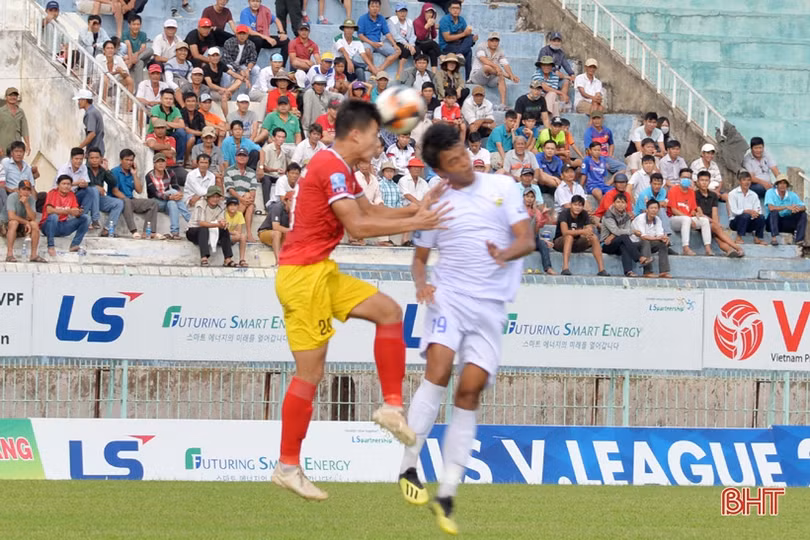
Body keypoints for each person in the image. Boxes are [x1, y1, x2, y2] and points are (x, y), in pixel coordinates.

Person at [270, 100, 449, 500]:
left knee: (389, 312)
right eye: (374, 135)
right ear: (356, 134)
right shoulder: (331, 167)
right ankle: (286, 466)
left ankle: (391, 405)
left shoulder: (341, 168)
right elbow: (359, 227)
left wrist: (413, 211)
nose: (379, 143)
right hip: (303, 279)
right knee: (310, 375)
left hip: (319, 272)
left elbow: (371, 209)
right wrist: (417, 221)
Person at [395, 122, 532, 536]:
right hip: (449, 297)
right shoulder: (436, 204)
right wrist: (422, 285)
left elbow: (526, 240)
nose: (463, 161)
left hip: (489, 307)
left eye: (462, 151)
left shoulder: (504, 187)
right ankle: (408, 467)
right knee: (437, 369)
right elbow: (419, 260)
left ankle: (448, 491)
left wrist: (504, 252)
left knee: (469, 391)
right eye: (453, 160)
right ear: (441, 170)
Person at [111, 149, 161, 239]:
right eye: (127, 160)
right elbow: (115, 191)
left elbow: (139, 190)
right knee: (127, 201)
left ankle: (148, 232)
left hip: (130, 199)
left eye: (131, 160)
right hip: (118, 200)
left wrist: (134, 174)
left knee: (153, 203)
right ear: (121, 160)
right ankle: (133, 231)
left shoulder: (131, 172)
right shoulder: (115, 171)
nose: (129, 162)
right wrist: (128, 200)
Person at [553, 194, 607, 276]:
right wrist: (582, 232)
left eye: (580, 205)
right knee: (569, 237)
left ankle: (601, 269)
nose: (578, 207)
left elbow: (589, 229)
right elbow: (565, 232)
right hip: (560, 242)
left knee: (594, 237)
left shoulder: (584, 214)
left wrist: (588, 233)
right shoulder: (564, 213)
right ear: (571, 205)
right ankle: (565, 268)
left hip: (577, 241)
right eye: (575, 205)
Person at [695, 171, 744, 257]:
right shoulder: (695, 194)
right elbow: (700, 214)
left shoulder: (713, 195)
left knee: (718, 237)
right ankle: (737, 247)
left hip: (712, 224)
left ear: (709, 182)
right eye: (702, 180)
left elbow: (714, 212)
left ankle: (729, 250)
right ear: (698, 182)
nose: (704, 182)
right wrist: (715, 224)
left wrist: (715, 223)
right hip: (701, 222)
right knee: (716, 229)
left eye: (706, 180)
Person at [40, 175, 91, 257]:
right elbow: (49, 210)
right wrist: (68, 211)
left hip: (63, 225)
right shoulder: (52, 193)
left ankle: (74, 244)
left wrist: (78, 212)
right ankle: (51, 246)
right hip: (48, 226)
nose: (66, 186)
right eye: (63, 184)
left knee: (86, 218)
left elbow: (74, 210)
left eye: (68, 184)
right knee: (54, 216)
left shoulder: (71, 195)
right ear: (58, 185)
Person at [187, 185, 236, 266]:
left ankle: (227, 259)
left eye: (217, 197)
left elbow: (221, 220)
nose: (215, 199)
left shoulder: (221, 205)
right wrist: (217, 225)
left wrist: (224, 223)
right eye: (213, 196)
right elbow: (201, 223)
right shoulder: (201, 204)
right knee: (204, 228)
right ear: (208, 197)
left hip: (211, 230)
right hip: (194, 231)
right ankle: (204, 258)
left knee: (224, 230)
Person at [469, 32, 518, 110]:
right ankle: (504, 75)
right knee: (486, 67)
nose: (494, 43)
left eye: (496, 41)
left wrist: (511, 75)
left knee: (500, 77)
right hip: (478, 76)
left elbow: (505, 64)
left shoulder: (500, 51)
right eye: (492, 40)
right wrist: (497, 67)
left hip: (490, 78)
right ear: (488, 41)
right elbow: (483, 59)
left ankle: (503, 104)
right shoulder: (481, 46)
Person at [146, 153, 190, 239]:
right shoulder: (149, 176)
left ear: (166, 163)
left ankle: (175, 232)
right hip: (155, 202)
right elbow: (155, 193)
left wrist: (178, 194)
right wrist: (170, 196)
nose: (161, 164)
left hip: (168, 200)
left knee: (172, 203)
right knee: (172, 193)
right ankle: (190, 219)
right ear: (154, 164)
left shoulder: (170, 172)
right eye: (158, 162)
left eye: (163, 162)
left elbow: (175, 186)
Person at [600, 193, 646, 276]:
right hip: (606, 244)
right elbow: (618, 231)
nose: (620, 205)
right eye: (618, 202)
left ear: (626, 204)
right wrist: (633, 231)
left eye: (623, 202)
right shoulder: (608, 215)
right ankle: (639, 257)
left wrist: (614, 235)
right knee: (624, 237)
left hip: (619, 242)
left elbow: (621, 231)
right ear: (613, 203)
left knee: (624, 245)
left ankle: (628, 271)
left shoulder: (626, 216)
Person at [667, 172, 711, 256]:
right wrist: (690, 218)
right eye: (684, 177)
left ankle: (708, 248)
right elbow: (674, 210)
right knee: (686, 219)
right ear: (679, 178)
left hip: (688, 219)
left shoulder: (691, 192)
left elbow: (692, 209)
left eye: (688, 177)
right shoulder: (673, 190)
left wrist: (696, 213)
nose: (686, 179)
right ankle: (685, 248)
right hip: (675, 219)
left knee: (704, 220)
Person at [85, 147, 125, 237]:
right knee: (94, 190)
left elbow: (113, 183)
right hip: (86, 200)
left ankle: (107, 230)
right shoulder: (84, 169)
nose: (94, 160)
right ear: (88, 158)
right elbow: (81, 186)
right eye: (92, 158)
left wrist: (107, 170)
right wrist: (95, 187)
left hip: (99, 199)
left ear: (101, 158)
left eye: (97, 158)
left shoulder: (102, 170)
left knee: (118, 203)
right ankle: (94, 220)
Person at [3, 180, 46, 263]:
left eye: (28, 189)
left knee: (34, 224)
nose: (26, 192)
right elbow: (11, 216)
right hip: (5, 224)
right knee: (14, 222)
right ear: (19, 190)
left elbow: (33, 217)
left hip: (21, 224)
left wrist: (26, 204)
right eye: (24, 189)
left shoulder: (31, 200)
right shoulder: (12, 197)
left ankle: (33, 255)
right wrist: (26, 222)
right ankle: (9, 254)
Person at [224, 147, 259, 242]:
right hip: (232, 199)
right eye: (239, 155)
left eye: (244, 156)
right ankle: (248, 234)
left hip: (245, 200)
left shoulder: (251, 172)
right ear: (236, 157)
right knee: (248, 200)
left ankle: (243, 232)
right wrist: (242, 198)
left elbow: (253, 189)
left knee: (250, 204)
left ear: (248, 158)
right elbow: (230, 190)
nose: (242, 157)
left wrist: (248, 198)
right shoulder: (229, 170)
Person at [358, 0, 401, 74]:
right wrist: (372, 43)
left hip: (379, 43)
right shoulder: (362, 18)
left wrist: (394, 44)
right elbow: (360, 35)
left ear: (380, 8)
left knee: (398, 51)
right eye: (372, 6)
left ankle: (379, 69)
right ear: (368, 7)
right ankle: (373, 69)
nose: (375, 9)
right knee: (367, 50)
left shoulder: (381, 18)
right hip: (368, 42)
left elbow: (387, 33)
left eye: (377, 7)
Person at [631, 199, 671, 278]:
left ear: (658, 210)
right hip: (635, 244)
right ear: (647, 209)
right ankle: (647, 271)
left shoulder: (658, 219)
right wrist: (659, 237)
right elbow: (643, 236)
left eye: (656, 208)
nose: (654, 210)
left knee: (663, 244)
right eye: (651, 208)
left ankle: (663, 271)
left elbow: (660, 235)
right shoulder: (640, 219)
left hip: (649, 244)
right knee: (645, 242)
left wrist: (664, 238)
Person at [765, 174, 807, 247]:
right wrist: (786, 207)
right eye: (780, 183)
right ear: (777, 185)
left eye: (784, 183)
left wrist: (797, 209)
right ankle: (774, 238)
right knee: (774, 212)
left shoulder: (792, 195)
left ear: (787, 185)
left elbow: (803, 207)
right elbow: (771, 208)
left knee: (803, 214)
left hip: (785, 223)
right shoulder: (770, 192)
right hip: (772, 223)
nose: (782, 185)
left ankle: (799, 240)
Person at [438, 0, 475, 80]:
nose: (455, 10)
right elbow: (447, 38)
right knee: (468, 51)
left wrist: (473, 39)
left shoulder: (461, 19)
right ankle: (460, 54)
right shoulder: (444, 20)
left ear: (460, 10)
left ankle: (468, 78)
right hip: (446, 46)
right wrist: (464, 34)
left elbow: (466, 35)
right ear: (449, 9)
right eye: (453, 8)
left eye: (457, 8)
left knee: (471, 37)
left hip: (458, 44)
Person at [728, 170, 766, 245]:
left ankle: (757, 238)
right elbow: (734, 211)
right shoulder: (733, 194)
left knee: (761, 217)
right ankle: (739, 237)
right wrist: (747, 211)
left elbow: (758, 209)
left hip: (749, 221)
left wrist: (755, 214)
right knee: (745, 216)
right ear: (740, 181)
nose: (747, 182)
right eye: (744, 180)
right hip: (735, 222)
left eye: (748, 180)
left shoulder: (754, 195)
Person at [523, 188, 554, 274]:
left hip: (532, 239)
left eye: (532, 197)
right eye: (527, 196)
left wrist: (543, 215)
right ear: (523, 197)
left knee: (543, 244)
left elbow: (537, 229)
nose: (529, 199)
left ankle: (548, 268)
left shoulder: (537, 211)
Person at [222, 26, 260, 94]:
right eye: (240, 34)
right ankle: (226, 91)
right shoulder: (229, 42)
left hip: (243, 65)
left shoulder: (251, 44)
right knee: (226, 70)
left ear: (247, 35)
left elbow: (253, 59)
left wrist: (248, 69)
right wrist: (240, 70)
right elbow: (227, 60)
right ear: (236, 34)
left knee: (256, 69)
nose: (242, 36)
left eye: (244, 34)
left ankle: (253, 92)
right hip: (231, 64)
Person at [258, 191, 292, 264]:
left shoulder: (295, 211)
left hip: (281, 234)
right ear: (285, 201)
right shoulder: (277, 207)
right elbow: (275, 227)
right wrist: (292, 231)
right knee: (277, 233)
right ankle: (278, 260)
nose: (293, 203)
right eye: (291, 201)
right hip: (265, 231)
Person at [261, 127, 289, 209]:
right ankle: (267, 205)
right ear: (273, 137)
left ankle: (285, 205)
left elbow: (284, 168)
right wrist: (275, 170)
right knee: (266, 180)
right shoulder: (267, 149)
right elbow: (264, 167)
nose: (281, 139)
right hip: (268, 174)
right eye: (279, 137)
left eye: (283, 137)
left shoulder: (284, 152)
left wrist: (283, 172)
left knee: (286, 180)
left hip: (278, 176)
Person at [121, 15, 152, 87]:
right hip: (128, 59)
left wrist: (136, 55)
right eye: (134, 24)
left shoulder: (143, 34)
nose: (136, 26)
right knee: (140, 62)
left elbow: (143, 48)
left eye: (138, 24)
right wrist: (131, 59)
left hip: (136, 58)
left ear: (141, 25)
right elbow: (128, 47)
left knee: (150, 50)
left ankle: (134, 61)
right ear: (129, 25)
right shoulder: (125, 34)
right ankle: (139, 90)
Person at [389, 3, 417, 81]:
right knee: (405, 50)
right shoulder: (392, 20)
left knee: (417, 50)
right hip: (396, 42)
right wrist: (407, 44)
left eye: (404, 11)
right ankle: (399, 76)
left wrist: (411, 45)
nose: (402, 13)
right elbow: (395, 35)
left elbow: (413, 35)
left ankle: (416, 74)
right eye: (400, 11)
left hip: (408, 43)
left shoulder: (409, 21)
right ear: (396, 12)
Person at [0, 88, 30, 158]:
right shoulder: (1, 111)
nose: (13, 97)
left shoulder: (21, 112)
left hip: (17, 149)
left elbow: (25, 129)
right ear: (6, 97)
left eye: (15, 95)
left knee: (16, 168)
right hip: (3, 149)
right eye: (10, 95)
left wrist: (28, 145)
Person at [75, 89, 105, 156]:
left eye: (79, 100)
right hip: (95, 150)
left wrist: (79, 148)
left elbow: (92, 134)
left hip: (95, 152)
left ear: (85, 100)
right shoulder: (93, 111)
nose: (78, 102)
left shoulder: (90, 113)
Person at [289, 22, 321, 86]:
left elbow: (318, 59)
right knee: (295, 62)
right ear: (298, 31)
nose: (304, 32)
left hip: (307, 69)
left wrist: (318, 65)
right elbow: (293, 59)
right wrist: (306, 61)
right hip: (296, 67)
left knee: (317, 66)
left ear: (309, 32)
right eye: (302, 30)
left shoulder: (313, 44)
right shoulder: (293, 42)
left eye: (306, 30)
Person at [413, 4, 441, 70]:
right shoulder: (417, 22)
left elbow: (434, 36)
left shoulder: (430, 21)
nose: (429, 14)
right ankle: (441, 56)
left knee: (432, 52)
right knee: (432, 43)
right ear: (423, 12)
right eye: (427, 12)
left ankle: (434, 74)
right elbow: (420, 37)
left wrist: (432, 26)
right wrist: (426, 26)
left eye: (431, 12)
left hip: (426, 44)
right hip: (418, 43)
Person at [224, 196, 248, 265]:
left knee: (243, 236)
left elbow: (239, 231)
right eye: (230, 205)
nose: (233, 207)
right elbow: (223, 230)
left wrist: (234, 233)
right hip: (224, 237)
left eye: (235, 205)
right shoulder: (224, 214)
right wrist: (233, 232)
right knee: (238, 236)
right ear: (227, 206)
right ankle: (227, 259)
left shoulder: (239, 214)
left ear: (238, 206)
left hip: (233, 236)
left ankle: (242, 259)